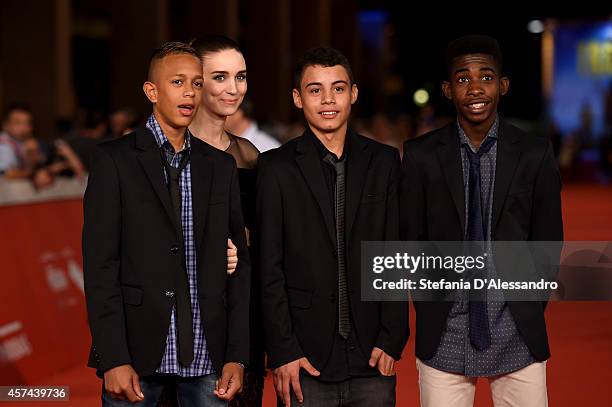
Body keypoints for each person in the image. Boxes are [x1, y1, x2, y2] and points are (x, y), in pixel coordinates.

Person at [83, 41, 250, 406]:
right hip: (136, 354)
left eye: (195, 83)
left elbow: (239, 268)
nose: (189, 92)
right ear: (152, 91)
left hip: (208, 357)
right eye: (177, 83)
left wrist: (237, 355)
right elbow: (100, 268)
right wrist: (113, 358)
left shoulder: (219, 167)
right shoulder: (114, 162)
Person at [399, 35, 563, 407]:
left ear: (503, 86)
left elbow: (548, 241)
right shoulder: (421, 156)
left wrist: (529, 304)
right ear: (447, 89)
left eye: (486, 77)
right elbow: (411, 241)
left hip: (517, 331)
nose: (475, 88)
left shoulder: (535, 153)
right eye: (462, 79)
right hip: (444, 332)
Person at [257, 47, 409, 407]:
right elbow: (269, 268)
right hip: (304, 360)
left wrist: (392, 337)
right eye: (315, 90)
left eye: (338, 88)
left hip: (372, 355)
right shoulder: (275, 168)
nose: (328, 99)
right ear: (298, 98)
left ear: (353, 94)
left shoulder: (384, 162)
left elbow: (395, 254)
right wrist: (282, 352)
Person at [188, 34, 264, 407]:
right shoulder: (163, 153)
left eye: (241, 76)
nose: (234, 89)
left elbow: (257, 237)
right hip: (179, 318)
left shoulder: (248, 155)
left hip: (239, 314)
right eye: (220, 77)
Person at [0, 104, 35, 178]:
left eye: (27, 123)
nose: (24, 128)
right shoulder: (3, 145)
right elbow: (7, 174)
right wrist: (34, 174)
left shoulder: (20, 142)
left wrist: (31, 154)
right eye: (18, 123)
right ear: (5, 125)